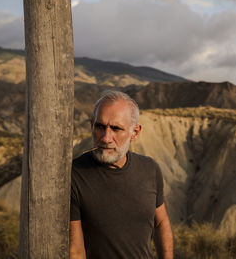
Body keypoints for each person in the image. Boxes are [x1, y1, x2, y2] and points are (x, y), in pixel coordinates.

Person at [69, 90, 173, 259]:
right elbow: (75, 251)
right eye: (100, 126)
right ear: (91, 125)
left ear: (135, 132)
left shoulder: (150, 169)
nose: (105, 138)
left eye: (116, 128)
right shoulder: (75, 175)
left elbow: (161, 222)